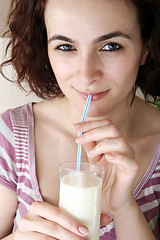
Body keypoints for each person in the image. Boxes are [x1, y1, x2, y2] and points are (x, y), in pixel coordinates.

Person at [0, 0, 160, 239]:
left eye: (111, 46)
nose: (86, 75)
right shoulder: (12, 134)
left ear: (145, 47)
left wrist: (124, 205)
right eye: (65, 47)